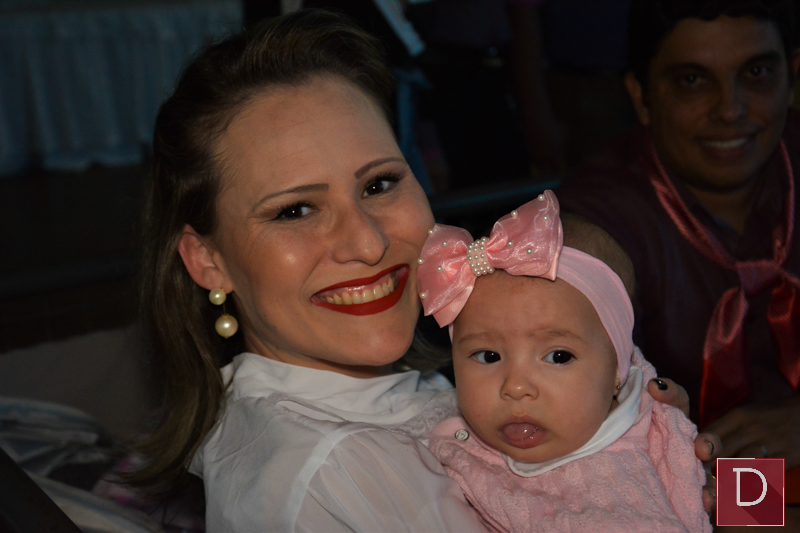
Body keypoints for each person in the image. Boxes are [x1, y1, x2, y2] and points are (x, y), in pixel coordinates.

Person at [128, 9, 718, 530]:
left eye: (379, 184)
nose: (368, 242)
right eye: (296, 210)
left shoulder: (445, 385)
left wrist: (694, 473)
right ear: (207, 260)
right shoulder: (329, 481)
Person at [555, 0, 800, 480]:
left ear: (792, 76)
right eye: (692, 80)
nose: (730, 110)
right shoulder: (594, 229)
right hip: (683, 487)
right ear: (641, 96)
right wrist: (762, 506)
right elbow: (595, 462)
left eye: (756, 74)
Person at [417, 192, 711, 532]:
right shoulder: (440, 453)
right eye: (488, 356)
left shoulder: (655, 424)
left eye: (558, 357)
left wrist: (755, 513)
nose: (516, 387)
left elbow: (735, 496)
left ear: (617, 370)